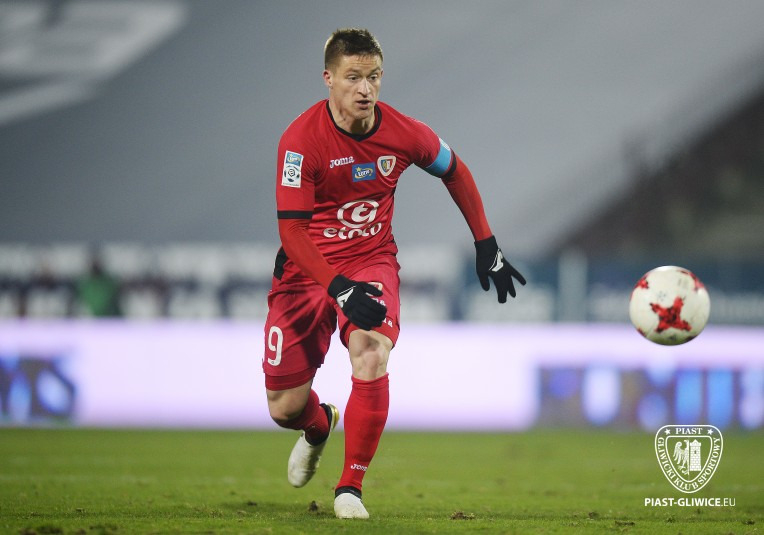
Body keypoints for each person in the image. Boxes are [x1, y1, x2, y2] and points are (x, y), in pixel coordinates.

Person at [263, 28, 526, 520]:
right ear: (328, 79)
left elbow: (455, 170)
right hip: (306, 271)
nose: (365, 89)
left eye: (374, 77)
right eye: (353, 77)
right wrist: (337, 288)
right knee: (283, 407)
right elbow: (293, 233)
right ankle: (319, 426)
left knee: (371, 352)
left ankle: (350, 487)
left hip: (370, 259)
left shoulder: (405, 133)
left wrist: (485, 242)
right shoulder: (300, 143)